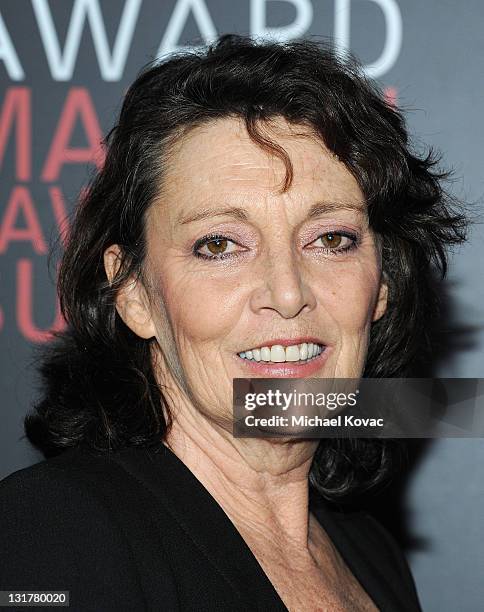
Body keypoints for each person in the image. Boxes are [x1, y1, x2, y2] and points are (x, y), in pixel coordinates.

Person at [0, 34, 466, 611]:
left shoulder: (370, 554)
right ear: (134, 291)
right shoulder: (49, 536)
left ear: (382, 285)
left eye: (330, 239)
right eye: (219, 244)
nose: (288, 293)